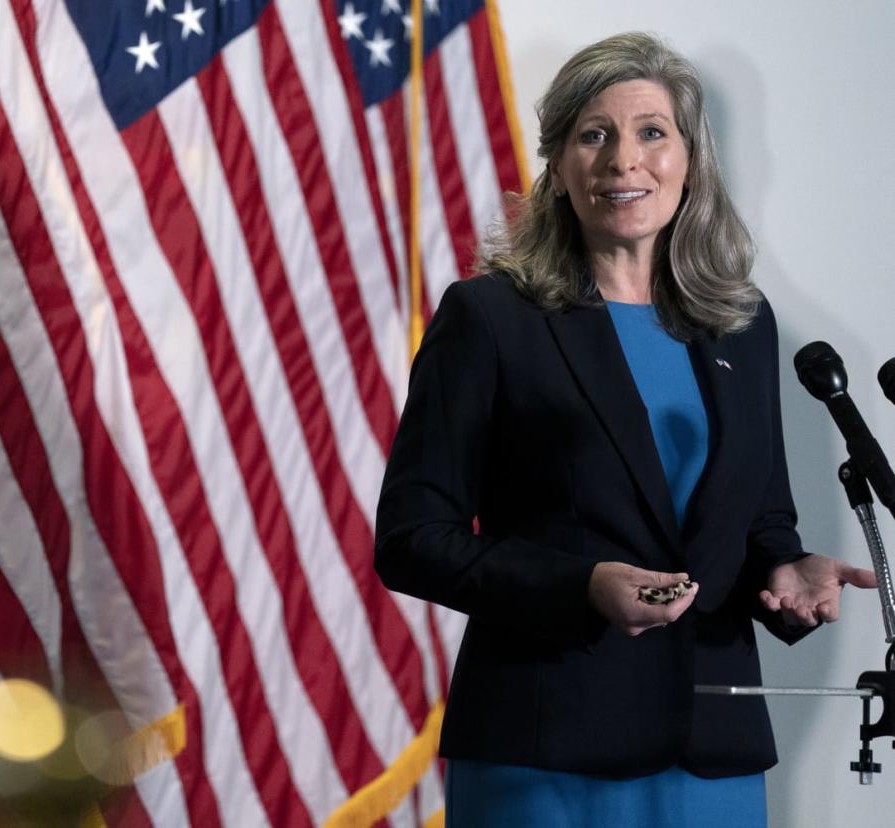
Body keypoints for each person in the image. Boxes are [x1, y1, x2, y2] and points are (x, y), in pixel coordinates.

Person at [374, 32, 877, 827]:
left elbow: (763, 522)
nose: (623, 160)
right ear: (561, 165)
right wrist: (581, 587)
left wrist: (789, 573)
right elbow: (411, 537)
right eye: (593, 134)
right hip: (544, 756)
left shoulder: (742, 327)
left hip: (711, 749)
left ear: (690, 158)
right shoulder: (493, 318)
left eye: (651, 131)